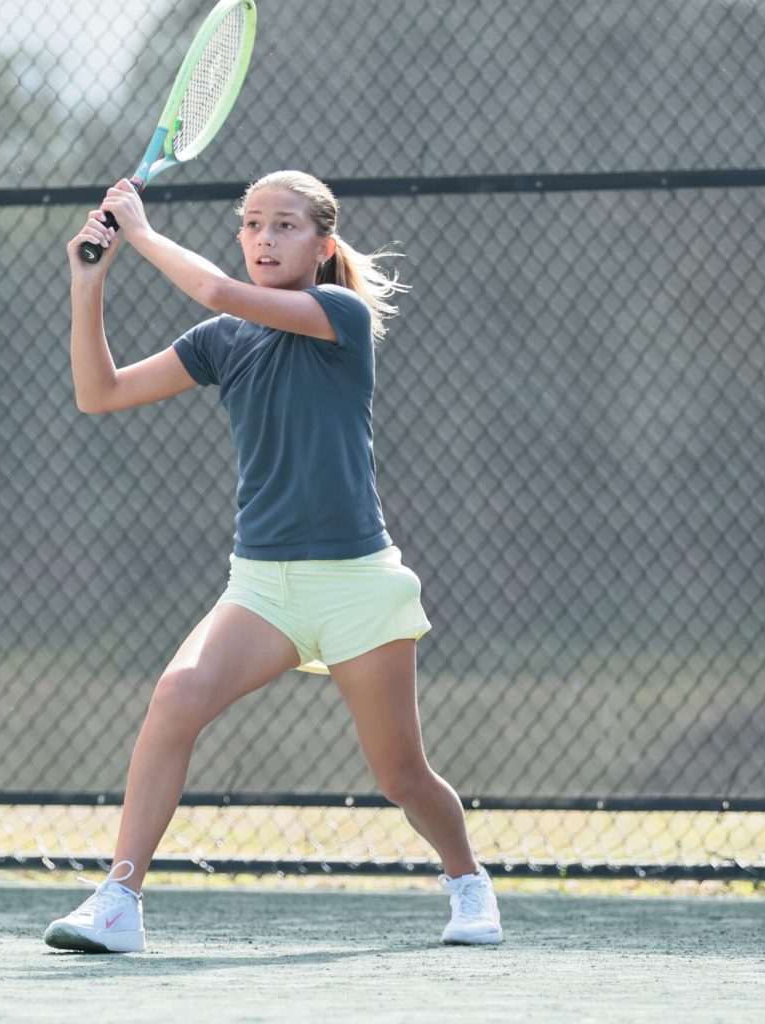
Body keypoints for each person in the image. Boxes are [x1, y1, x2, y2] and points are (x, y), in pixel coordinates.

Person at [43, 170, 503, 953]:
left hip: (358, 585)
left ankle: (467, 882)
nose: (263, 237)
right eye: (252, 223)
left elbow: (219, 291)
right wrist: (89, 286)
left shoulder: (340, 314)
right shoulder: (225, 343)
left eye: (284, 225)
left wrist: (144, 234)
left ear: (323, 246)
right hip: (261, 587)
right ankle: (119, 901)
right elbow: (101, 393)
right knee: (176, 696)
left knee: (400, 775)